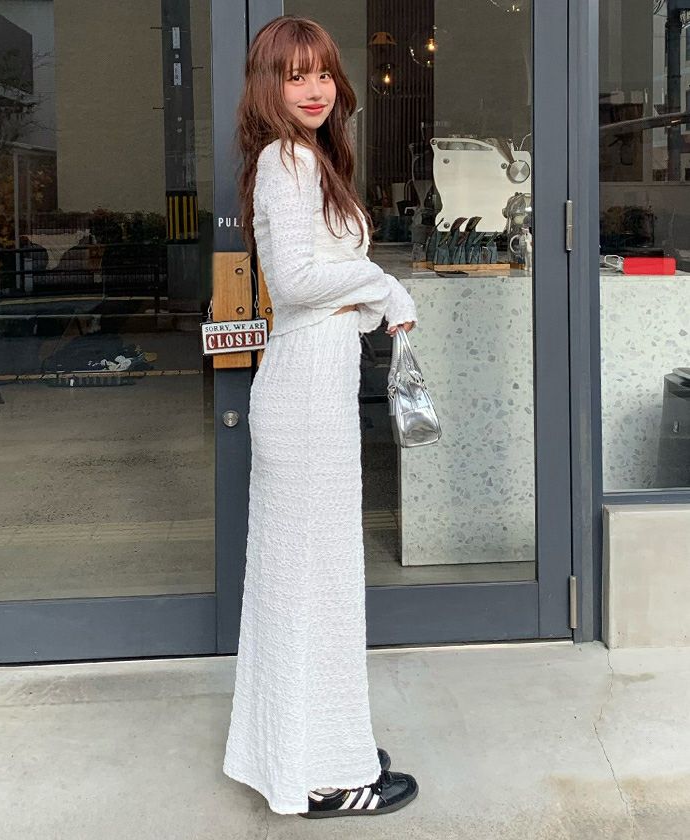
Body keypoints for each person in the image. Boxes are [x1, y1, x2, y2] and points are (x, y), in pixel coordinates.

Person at [222, 14, 419, 819]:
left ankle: (312, 748)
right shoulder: (289, 159)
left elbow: (310, 277)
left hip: (310, 382)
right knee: (317, 583)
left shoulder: (303, 158)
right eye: (294, 74)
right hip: (305, 389)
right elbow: (299, 281)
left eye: (323, 73)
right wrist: (382, 286)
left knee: (303, 580)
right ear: (268, 86)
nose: (313, 89)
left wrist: (369, 292)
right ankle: (327, 778)